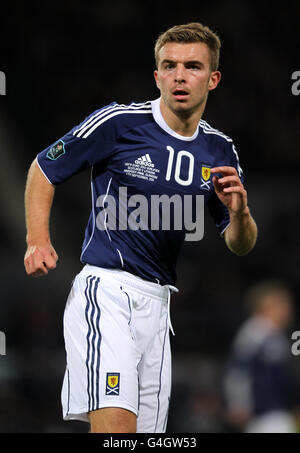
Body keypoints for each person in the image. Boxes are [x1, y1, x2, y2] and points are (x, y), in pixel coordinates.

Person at [24, 22, 257, 433]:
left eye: (193, 66)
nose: (180, 75)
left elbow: (240, 245)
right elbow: (44, 167)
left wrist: (239, 214)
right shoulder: (118, 123)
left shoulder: (220, 149)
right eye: (169, 66)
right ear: (157, 76)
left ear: (213, 78)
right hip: (107, 292)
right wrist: (37, 240)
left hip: (160, 306)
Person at [223, 280, 297, 433]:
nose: (288, 311)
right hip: (265, 416)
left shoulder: (272, 333)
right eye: (282, 305)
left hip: (275, 412)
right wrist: (238, 404)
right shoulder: (255, 332)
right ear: (267, 307)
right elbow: (238, 371)